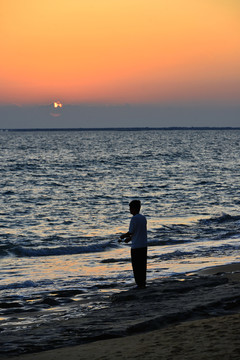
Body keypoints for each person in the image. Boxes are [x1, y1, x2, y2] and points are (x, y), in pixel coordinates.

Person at [120, 200, 147, 289]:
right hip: (143, 245)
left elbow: (131, 232)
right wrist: (130, 239)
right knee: (142, 266)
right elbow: (138, 232)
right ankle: (142, 283)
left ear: (135, 208)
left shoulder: (134, 218)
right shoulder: (143, 218)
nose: (130, 210)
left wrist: (123, 236)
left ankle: (139, 284)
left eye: (130, 208)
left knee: (136, 266)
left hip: (136, 247)